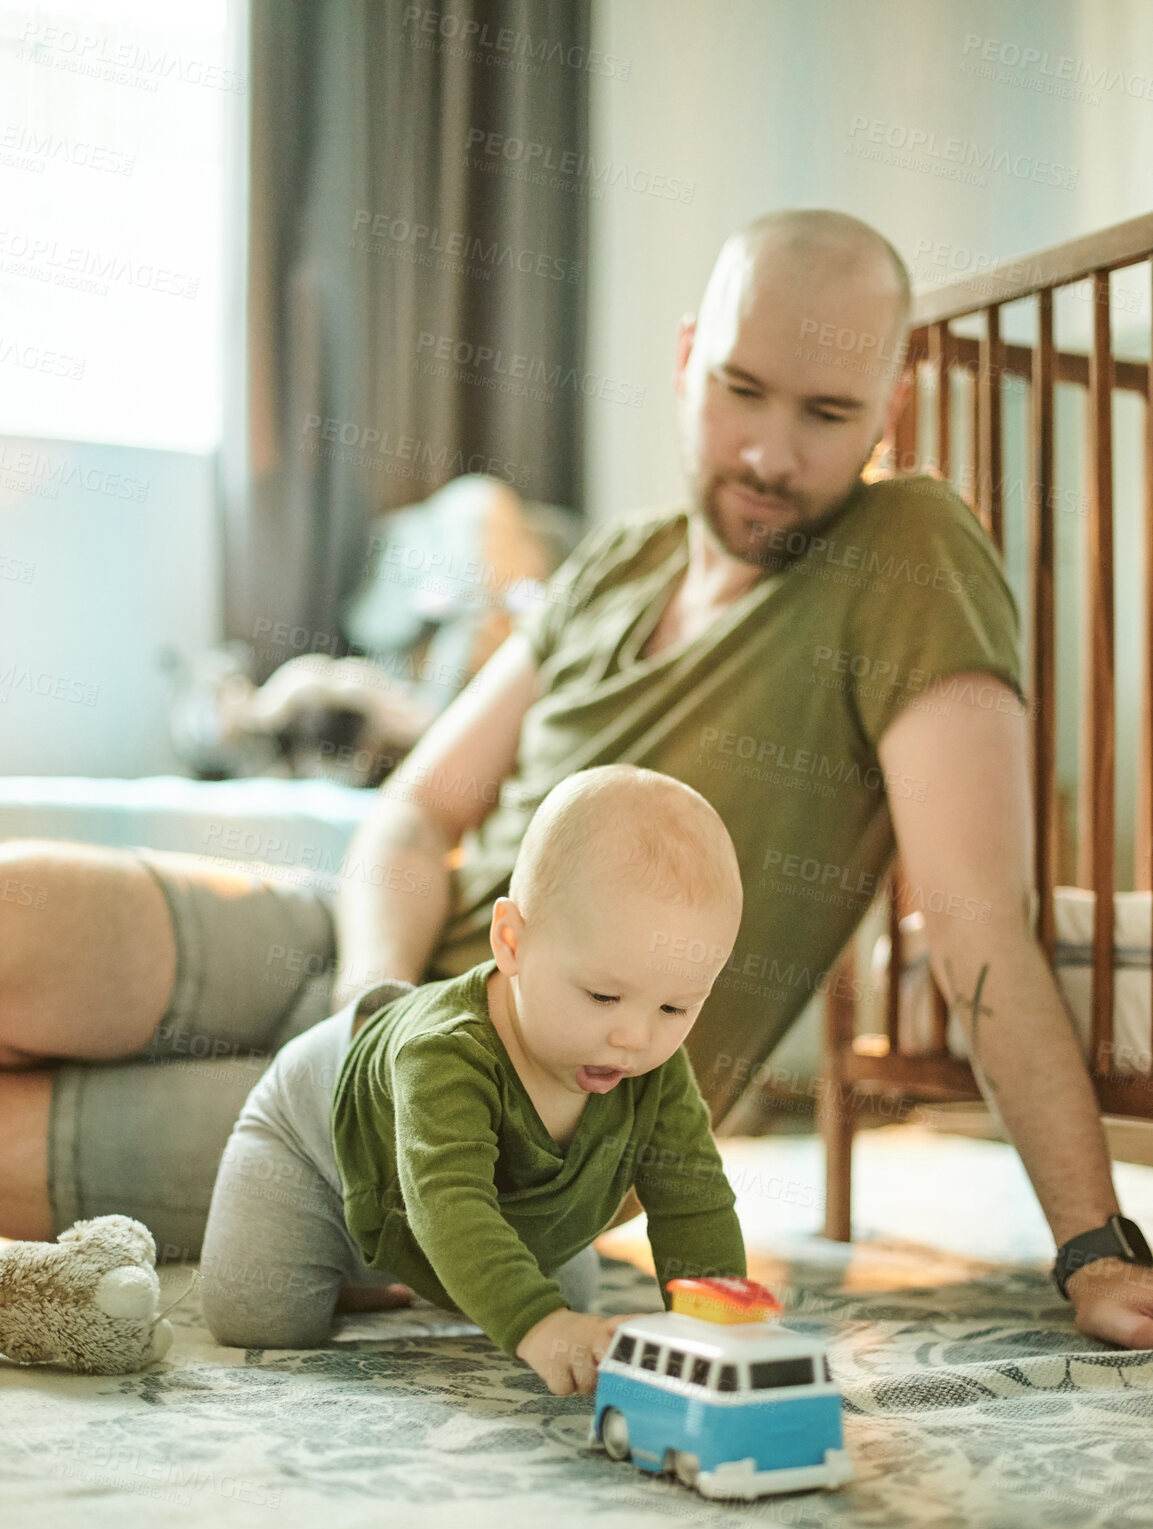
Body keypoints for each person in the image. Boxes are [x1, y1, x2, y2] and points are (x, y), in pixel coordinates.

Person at [2, 207, 1150, 1349]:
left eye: (827, 412)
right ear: (687, 356)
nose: (767, 452)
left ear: (886, 411)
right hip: (364, 978)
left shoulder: (905, 551)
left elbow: (974, 924)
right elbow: (417, 812)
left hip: (518, 1090)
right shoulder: (613, 562)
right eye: (741, 389)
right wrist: (374, 1005)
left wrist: (1093, 1245)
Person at [199, 766, 746, 1394]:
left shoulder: (650, 1067)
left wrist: (722, 1324)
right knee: (260, 1314)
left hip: (469, 1205)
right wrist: (539, 1326)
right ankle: (354, 1262)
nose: (635, 1038)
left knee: (570, 1290)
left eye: (674, 1008)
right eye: (602, 995)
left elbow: (694, 1195)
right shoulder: (445, 1053)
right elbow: (450, 1201)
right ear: (511, 941)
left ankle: (430, 1270)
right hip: (314, 1143)